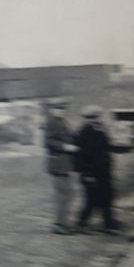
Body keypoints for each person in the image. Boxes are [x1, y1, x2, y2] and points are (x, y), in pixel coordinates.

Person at [73, 106, 127, 236]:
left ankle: (108, 224)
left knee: (107, 197)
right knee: (91, 200)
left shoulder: (100, 129)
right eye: (92, 118)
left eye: (97, 117)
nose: (96, 120)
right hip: (92, 173)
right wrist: (87, 174)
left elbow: (105, 146)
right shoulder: (83, 133)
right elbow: (81, 156)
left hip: (103, 171)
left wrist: (120, 147)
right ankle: (81, 224)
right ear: (86, 119)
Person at [43, 100, 78, 234]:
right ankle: (58, 224)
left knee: (67, 194)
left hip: (65, 164)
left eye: (63, 109)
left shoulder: (63, 122)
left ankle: (63, 222)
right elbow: (47, 142)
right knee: (64, 194)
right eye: (58, 108)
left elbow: (71, 137)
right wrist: (65, 146)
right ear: (53, 110)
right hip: (58, 164)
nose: (61, 111)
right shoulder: (51, 122)